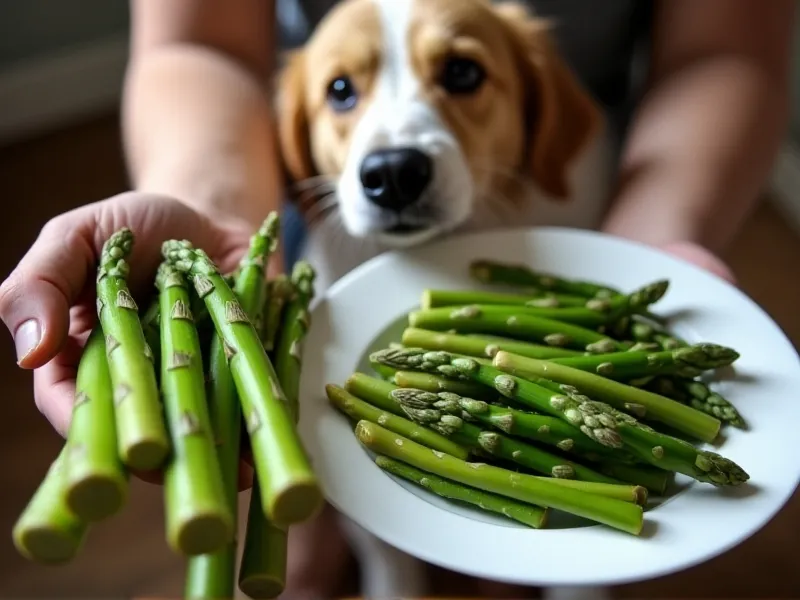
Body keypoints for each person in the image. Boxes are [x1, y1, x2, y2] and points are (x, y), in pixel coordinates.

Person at [0, 0, 794, 597]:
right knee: (321, 513)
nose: (392, 151)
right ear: (300, 137)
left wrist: (646, 246)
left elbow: (726, 49)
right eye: (342, 92)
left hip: (586, 200)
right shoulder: (314, 178)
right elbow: (196, 42)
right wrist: (215, 217)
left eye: (461, 75)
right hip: (331, 238)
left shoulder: (559, 135)